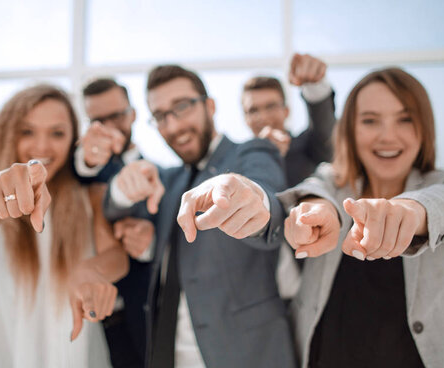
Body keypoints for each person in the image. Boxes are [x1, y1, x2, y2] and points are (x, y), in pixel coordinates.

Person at [278, 67, 444, 367]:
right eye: (370, 121)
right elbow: (317, 189)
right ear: (350, 130)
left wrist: (412, 211)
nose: (387, 136)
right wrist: (316, 209)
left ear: (424, 126)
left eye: (405, 119)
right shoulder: (332, 181)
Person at [103, 65, 295, 368]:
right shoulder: (167, 181)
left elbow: (270, 198)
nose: (174, 125)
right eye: (161, 116)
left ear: (210, 106)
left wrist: (254, 203)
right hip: (169, 355)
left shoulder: (252, 153)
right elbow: (116, 209)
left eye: (182, 107)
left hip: (247, 354)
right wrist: (123, 189)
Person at [0, 84, 129, 367]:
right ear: (7, 134)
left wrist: (89, 271)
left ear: (73, 140)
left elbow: (116, 256)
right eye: (27, 131)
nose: (42, 147)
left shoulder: (90, 197)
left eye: (57, 133)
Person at [242, 53, 336, 299]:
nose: (262, 116)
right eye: (253, 110)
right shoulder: (239, 165)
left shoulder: (308, 147)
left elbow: (324, 129)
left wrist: (315, 85)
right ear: (245, 118)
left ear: (286, 110)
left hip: (316, 283)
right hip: (260, 294)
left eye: (271, 106)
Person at [75, 78, 152, 367]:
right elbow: (82, 170)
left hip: (142, 319)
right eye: (98, 120)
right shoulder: (85, 167)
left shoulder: (161, 173)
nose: (109, 127)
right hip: (84, 317)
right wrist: (88, 160)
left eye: (117, 116)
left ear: (133, 113)